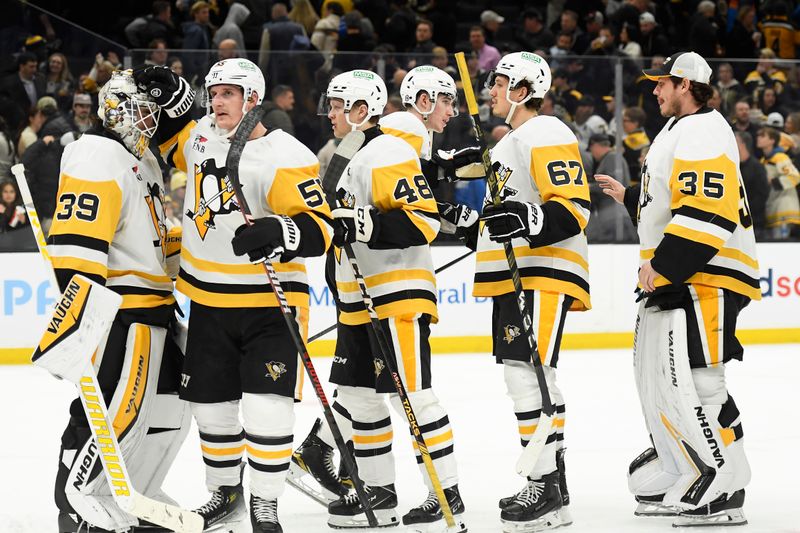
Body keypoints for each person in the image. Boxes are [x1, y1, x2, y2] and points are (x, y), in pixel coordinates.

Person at [136, 57, 333, 532]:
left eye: (229, 93)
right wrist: (171, 87)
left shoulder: (290, 154)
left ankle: (264, 504)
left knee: (268, 407)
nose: (217, 100)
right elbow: (173, 130)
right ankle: (225, 495)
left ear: (253, 100)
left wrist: (278, 229)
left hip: (270, 302)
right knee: (212, 408)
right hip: (207, 299)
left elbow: (320, 228)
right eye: (214, 92)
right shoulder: (201, 135)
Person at [290, 65, 478, 530]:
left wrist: (361, 223)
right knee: (359, 398)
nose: (329, 114)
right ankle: (379, 493)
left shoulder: (389, 148)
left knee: (411, 395)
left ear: (360, 110)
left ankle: (444, 492)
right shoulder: (356, 154)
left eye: (336, 106)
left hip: (395, 295)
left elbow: (422, 221)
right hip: (359, 298)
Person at [595, 51, 760, 527]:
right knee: (673, 381)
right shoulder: (677, 130)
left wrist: (663, 265)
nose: (654, 90)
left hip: (709, 273)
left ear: (686, 84)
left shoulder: (703, 128)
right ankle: (688, 468)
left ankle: (727, 485)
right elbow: (673, 200)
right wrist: (631, 197)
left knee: (704, 381)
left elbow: (709, 208)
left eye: (662, 83)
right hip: (692, 273)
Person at [441, 51, 591, 532]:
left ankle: (545, 483)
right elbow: (503, 220)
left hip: (541, 270)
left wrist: (526, 219)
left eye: (501, 82)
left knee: (533, 374)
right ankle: (552, 484)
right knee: (523, 374)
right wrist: (470, 222)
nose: (491, 89)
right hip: (519, 272)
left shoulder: (546, 131)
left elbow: (573, 206)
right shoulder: (511, 143)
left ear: (525, 90)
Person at [48, 69, 189, 533]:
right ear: (116, 109)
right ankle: (78, 500)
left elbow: (151, 242)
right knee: (115, 415)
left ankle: (136, 494)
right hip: (122, 311)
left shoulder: (143, 161)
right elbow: (76, 247)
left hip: (157, 309)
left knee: (170, 412)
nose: (149, 121)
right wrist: (80, 321)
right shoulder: (94, 153)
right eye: (142, 110)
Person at [756, 126, 800, 238]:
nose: (758, 138)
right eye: (758, 135)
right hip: (773, 208)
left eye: (762, 136)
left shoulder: (780, 157)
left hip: (785, 208)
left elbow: (795, 176)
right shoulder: (763, 160)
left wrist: (773, 182)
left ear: (772, 140)